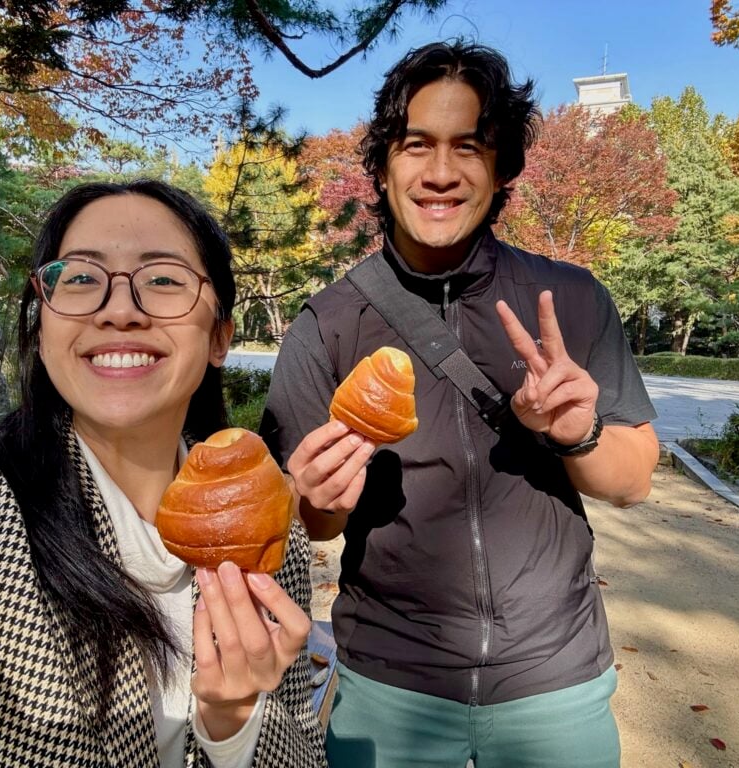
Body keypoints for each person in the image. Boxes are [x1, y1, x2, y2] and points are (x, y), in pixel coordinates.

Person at [0, 180, 327, 767]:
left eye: (163, 279)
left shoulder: (269, 536)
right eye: (82, 278)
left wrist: (234, 721)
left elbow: (301, 748)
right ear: (42, 325)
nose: (119, 311)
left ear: (219, 337)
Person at [261, 41, 660, 768]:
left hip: (554, 680)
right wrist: (316, 497)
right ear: (383, 167)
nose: (440, 172)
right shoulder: (327, 323)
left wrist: (579, 432)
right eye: (416, 145)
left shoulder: (568, 300)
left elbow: (632, 482)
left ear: (502, 167)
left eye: (468, 148)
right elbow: (314, 523)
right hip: (389, 685)